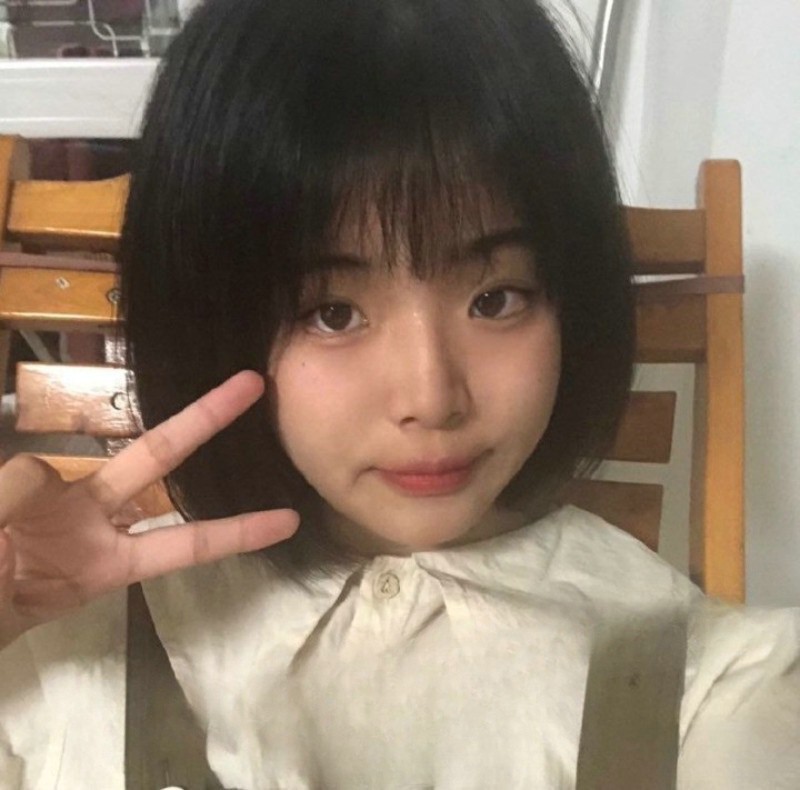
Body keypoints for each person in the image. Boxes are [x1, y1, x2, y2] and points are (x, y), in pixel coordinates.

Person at [0, 0, 798, 787]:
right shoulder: (58, 634)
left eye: (496, 299)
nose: (432, 397)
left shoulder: (704, 686)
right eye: (332, 313)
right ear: (212, 321)